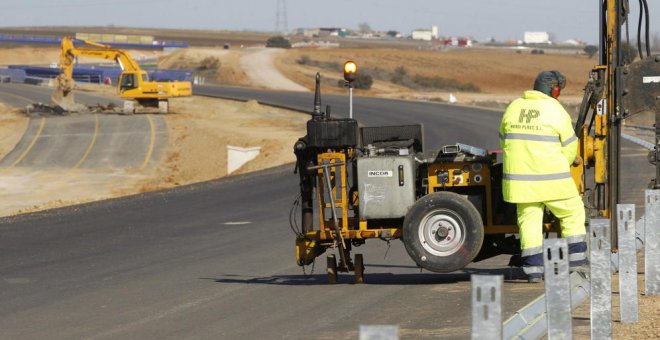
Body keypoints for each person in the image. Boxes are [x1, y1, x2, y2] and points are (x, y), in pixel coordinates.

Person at [499, 70, 587, 283]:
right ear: (554, 90)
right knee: (572, 212)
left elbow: (504, 140)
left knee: (529, 221)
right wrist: (563, 163)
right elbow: (569, 147)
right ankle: (576, 263)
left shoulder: (514, 107)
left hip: (520, 183)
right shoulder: (554, 110)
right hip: (552, 180)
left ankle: (533, 270)